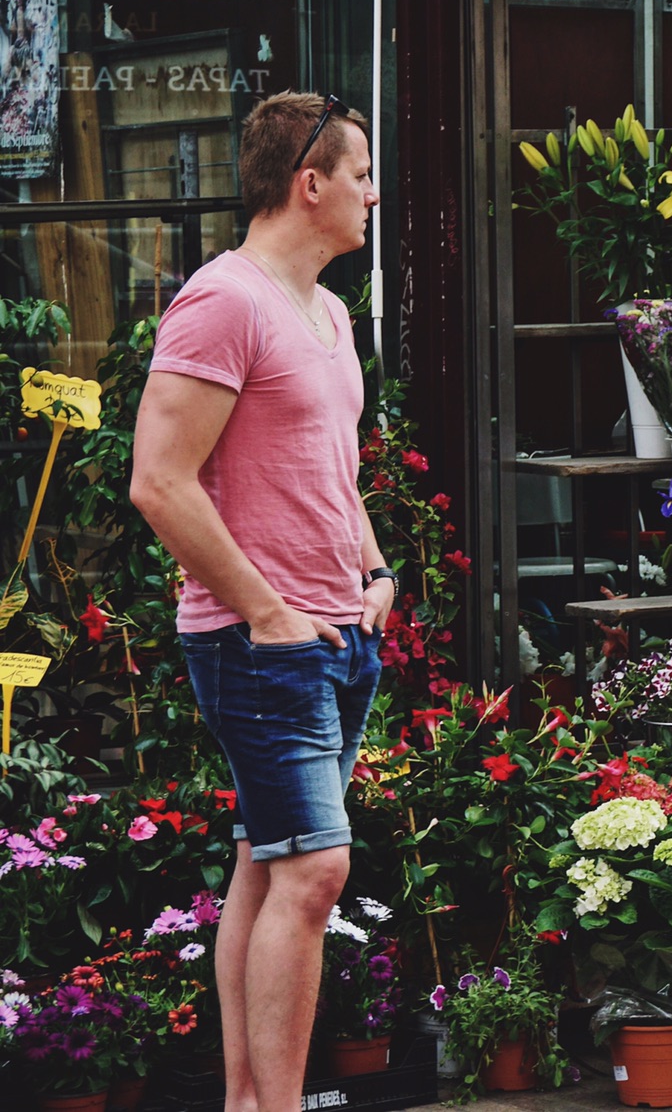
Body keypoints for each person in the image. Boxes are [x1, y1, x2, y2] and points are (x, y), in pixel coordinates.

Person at [130, 91, 390, 1112]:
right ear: (309, 181)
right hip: (259, 639)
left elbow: (333, 472)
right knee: (317, 869)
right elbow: (160, 478)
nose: (374, 192)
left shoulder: (326, 310)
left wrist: (372, 570)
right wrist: (267, 608)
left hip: (335, 629)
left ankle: (251, 1102)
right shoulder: (223, 300)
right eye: (361, 172)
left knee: (270, 857)